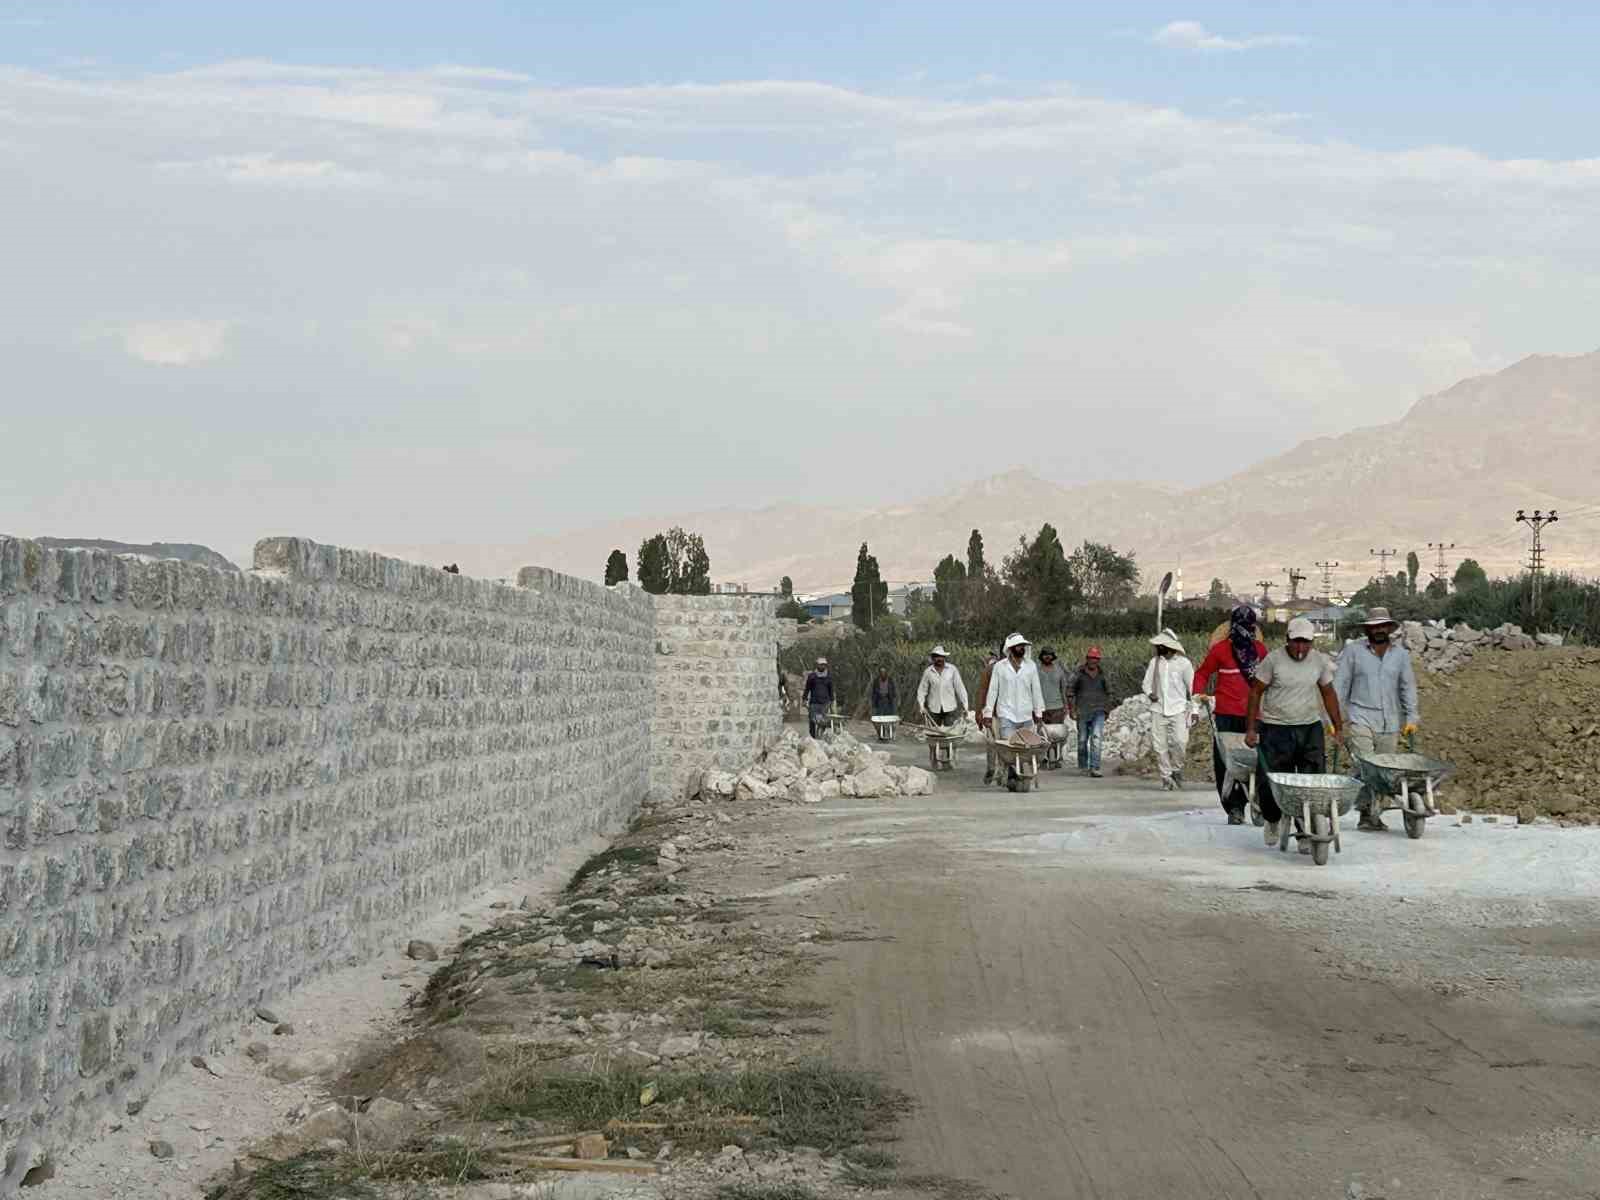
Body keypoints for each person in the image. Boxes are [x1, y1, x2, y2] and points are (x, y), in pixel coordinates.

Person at [1245, 617, 1344, 851]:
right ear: (1287, 639)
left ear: (1312, 642)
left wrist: (1338, 727)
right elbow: (1255, 692)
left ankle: (1304, 832)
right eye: (1296, 642)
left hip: (1309, 728)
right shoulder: (1273, 661)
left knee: (1312, 783)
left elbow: (1328, 693)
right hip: (1276, 729)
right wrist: (1251, 728)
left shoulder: (1318, 661)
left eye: (1305, 643)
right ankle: (1272, 818)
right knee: (1273, 780)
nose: (1300, 647)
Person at [1334, 606, 1420, 832]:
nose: (1379, 630)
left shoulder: (1400, 655)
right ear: (1368, 629)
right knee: (1366, 765)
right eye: (1375, 627)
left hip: (1390, 721)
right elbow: (1340, 685)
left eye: (1383, 626)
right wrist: (1333, 720)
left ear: (1389, 629)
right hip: (1360, 717)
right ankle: (1365, 813)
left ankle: (1375, 812)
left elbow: (1407, 687)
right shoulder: (1353, 652)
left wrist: (1411, 717)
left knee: (1384, 771)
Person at [1192, 604, 1269, 823]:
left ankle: (1261, 803)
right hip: (1226, 715)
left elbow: (1271, 678)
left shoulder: (1261, 651)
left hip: (1255, 716)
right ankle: (1234, 807)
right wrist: (1199, 694)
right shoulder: (1220, 650)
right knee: (1227, 763)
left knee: (1260, 761)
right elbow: (1202, 673)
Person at [983, 633, 1046, 785]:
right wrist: (988, 713)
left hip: (1026, 714)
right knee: (1009, 747)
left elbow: (1036, 690)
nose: (1021, 648)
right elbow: (993, 691)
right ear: (1010, 648)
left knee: (1026, 747)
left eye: (1023, 646)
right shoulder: (1000, 667)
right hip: (1006, 713)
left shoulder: (1031, 666)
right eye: (1018, 646)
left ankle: (1021, 774)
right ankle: (1010, 775)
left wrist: (1038, 713)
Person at [1142, 628, 1195, 791]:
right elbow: (1146, 683)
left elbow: (1193, 688)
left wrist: (1194, 710)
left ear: (1168, 647)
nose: (1157, 648)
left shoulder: (1184, 664)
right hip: (1158, 709)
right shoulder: (1155, 662)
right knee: (1159, 746)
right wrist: (1150, 693)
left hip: (1178, 709)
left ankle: (1177, 769)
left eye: (1160, 646)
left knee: (1180, 742)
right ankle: (1166, 777)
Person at [1067, 646, 1113, 777]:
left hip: (1099, 710)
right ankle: (1083, 766)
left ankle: (1094, 767)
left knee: (1096, 738)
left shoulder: (1103, 675)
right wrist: (1072, 709)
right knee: (1082, 740)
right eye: (1091, 658)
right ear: (1087, 659)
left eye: (1096, 658)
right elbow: (1070, 691)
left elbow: (1110, 692)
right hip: (1082, 710)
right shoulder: (1078, 674)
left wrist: (1107, 709)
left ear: (1099, 660)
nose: (1093, 661)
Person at [1035, 647, 1072, 768]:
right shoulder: (1035, 670)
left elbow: (1063, 689)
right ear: (1041, 656)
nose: (1047, 657)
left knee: (1056, 735)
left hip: (1057, 707)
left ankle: (1055, 759)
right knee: (1042, 735)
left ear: (1053, 656)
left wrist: (1066, 706)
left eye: (1050, 654)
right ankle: (1043, 759)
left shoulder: (1059, 671)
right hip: (1040, 708)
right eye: (1045, 654)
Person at [974, 646, 1005, 784]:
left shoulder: (1022, 669)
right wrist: (979, 712)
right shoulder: (990, 670)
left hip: (1012, 714)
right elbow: (982, 691)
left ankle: (1003, 772)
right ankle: (991, 768)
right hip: (993, 714)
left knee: (1008, 745)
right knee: (993, 743)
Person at [803, 657, 835, 739]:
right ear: (817, 665)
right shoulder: (812, 676)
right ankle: (812, 738)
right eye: (821, 664)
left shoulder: (829, 676)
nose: (822, 666)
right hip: (814, 703)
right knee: (812, 721)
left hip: (825, 703)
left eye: (824, 664)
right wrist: (804, 699)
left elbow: (831, 690)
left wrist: (832, 701)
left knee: (823, 721)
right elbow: (807, 689)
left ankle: (821, 736)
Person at [869, 665, 899, 742]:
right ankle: (880, 736)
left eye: (884, 672)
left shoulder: (890, 680)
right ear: (879, 673)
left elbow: (894, 691)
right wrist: (873, 702)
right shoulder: (876, 681)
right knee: (878, 719)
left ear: (886, 672)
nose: (883, 673)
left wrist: (894, 700)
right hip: (879, 701)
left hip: (888, 701)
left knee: (889, 719)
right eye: (881, 672)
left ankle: (889, 735)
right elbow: (873, 692)